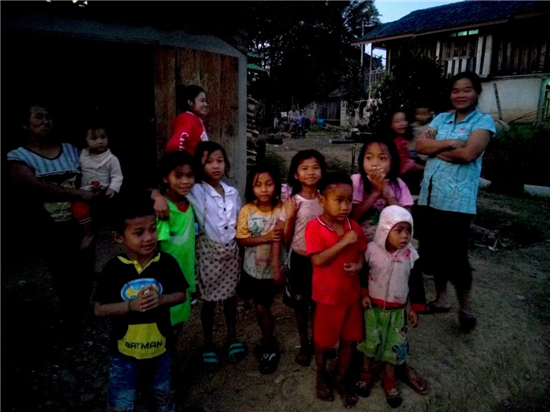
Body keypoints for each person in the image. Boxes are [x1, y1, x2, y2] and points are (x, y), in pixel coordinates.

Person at [7, 101, 97, 341]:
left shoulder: (70, 150)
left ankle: (81, 309)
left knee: (85, 270)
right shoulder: (18, 157)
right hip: (50, 227)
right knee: (62, 272)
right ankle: (70, 319)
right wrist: (77, 193)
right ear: (24, 124)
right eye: (38, 117)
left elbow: (90, 174)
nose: (46, 121)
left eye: (48, 117)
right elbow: (33, 186)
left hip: (81, 222)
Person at [416, 71, 496, 330]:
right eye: (455, 90)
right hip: (431, 197)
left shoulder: (483, 122)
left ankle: (465, 308)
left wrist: (436, 149)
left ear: (477, 92)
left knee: (457, 256)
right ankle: (441, 299)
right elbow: (420, 146)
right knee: (435, 253)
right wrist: (452, 143)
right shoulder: (441, 118)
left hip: (458, 202)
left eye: (466, 90)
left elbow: (469, 154)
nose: (460, 95)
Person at [94, 195, 187, 412]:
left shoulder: (166, 263)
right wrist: (129, 306)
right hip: (124, 353)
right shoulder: (113, 269)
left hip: (160, 349)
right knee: (121, 399)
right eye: (138, 233)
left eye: (153, 230)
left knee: (162, 394)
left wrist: (162, 299)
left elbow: (181, 295)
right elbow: (99, 309)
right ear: (119, 237)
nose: (148, 238)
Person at [356, 206, 429, 408]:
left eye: (408, 230)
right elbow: (363, 274)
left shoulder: (411, 256)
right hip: (373, 310)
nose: (405, 236)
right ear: (385, 229)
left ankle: (389, 382)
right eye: (399, 230)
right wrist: (364, 294)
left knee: (393, 348)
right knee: (369, 344)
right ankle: (365, 375)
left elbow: (416, 284)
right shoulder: (371, 251)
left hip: (397, 313)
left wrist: (415, 309)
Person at [305, 172, 367, 408]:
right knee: (323, 341)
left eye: (349, 200)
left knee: (349, 341)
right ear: (322, 200)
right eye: (338, 200)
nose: (345, 206)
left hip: (350, 297)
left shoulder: (354, 227)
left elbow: (361, 252)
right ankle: (321, 375)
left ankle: (342, 379)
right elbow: (318, 260)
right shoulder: (314, 227)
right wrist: (343, 242)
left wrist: (358, 265)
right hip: (327, 299)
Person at [187, 141, 245, 367]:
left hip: (231, 252)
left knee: (230, 298)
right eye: (208, 161)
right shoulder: (196, 191)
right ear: (199, 165)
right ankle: (208, 343)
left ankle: (232, 337)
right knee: (209, 302)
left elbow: (238, 221)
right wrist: (157, 195)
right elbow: (166, 185)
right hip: (209, 252)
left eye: (220, 161)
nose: (215, 166)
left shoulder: (232, 192)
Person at [237, 164, 286, 374]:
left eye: (269, 184)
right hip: (251, 270)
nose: (264, 189)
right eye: (258, 185)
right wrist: (265, 237)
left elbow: (283, 236)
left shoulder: (281, 209)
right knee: (258, 305)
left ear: (276, 185)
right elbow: (242, 240)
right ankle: (267, 339)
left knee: (262, 307)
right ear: (251, 187)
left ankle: (267, 345)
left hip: (270, 271)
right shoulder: (247, 210)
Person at [282, 149, 326, 367]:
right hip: (300, 259)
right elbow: (286, 238)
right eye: (305, 168)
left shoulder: (326, 199)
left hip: (323, 261)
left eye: (316, 167)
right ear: (296, 174)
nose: (311, 172)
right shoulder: (292, 202)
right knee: (300, 305)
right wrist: (290, 216)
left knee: (319, 304)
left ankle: (319, 343)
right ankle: (304, 343)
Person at [156, 151, 196, 333]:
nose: (185, 181)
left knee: (178, 323)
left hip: (186, 275)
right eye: (178, 176)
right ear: (165, 178)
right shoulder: (164, 209)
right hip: (167, 279)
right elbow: (157, 246)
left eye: (190, 175)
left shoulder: (190, 203)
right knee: (165, 326)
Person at [350, 135, 414, 243]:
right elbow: (352, 216)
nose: (375, 164)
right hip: (361, 241)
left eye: (382, 158)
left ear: (392, 161)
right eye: (369, 158)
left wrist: (387, 194)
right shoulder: (356, 181)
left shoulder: (398, 184)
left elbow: (406, 218)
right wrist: (375, 193)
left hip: (390, 244)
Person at [72, 124, 123, 249]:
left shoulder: (111, 159)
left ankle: (117, 232)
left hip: (104, 192)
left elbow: (117, 176)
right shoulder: (82, 155)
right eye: (94, 139)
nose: (100, 141)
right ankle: (88, 233)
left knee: (115, 208)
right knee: (79, 209)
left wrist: (112, 188)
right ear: (85, 140)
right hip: (85, 192)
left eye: (103, 137)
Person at [165, 85, 209, 156]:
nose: (206, 104)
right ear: (190, 102)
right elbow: (174, 145)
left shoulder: (195, 119)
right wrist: (182, 161)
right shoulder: (187, 119)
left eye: (205, 101)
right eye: (202, 101)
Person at [388, 111, 425, 194]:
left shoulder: (407, 138)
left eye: (404, 120)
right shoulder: (392, 143)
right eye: (397, 121)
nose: (402, 124)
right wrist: (425, 168)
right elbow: (405, 163)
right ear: (390, 125)